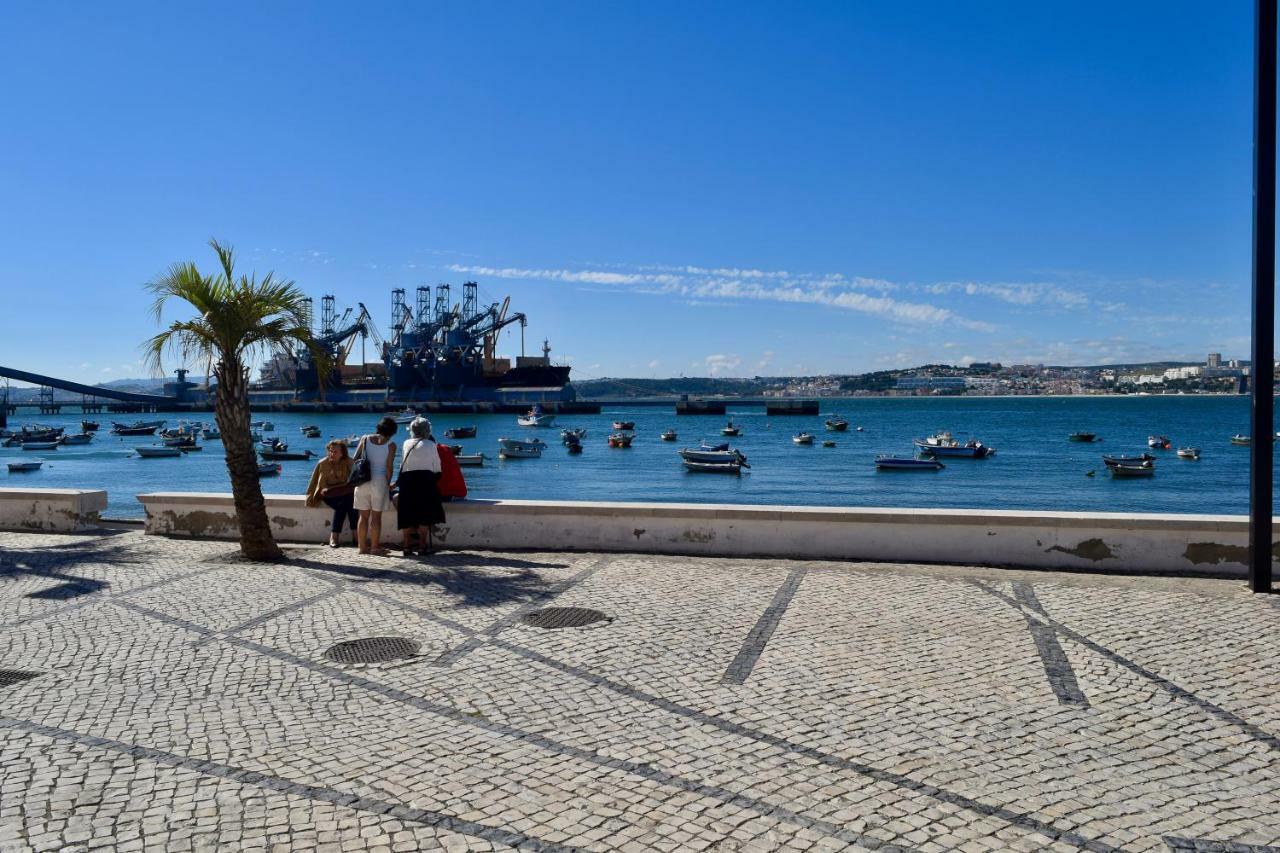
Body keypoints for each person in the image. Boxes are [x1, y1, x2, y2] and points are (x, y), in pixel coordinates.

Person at [396, 417, 445, 556]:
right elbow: (437, 467)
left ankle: (407, 546)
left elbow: (402, 464)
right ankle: (422, 546)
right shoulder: (431, 445)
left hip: (407, 481)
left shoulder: (406, 443)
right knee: (425, 513)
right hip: (425, 480)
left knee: (406, 513)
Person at [353, 416, 397, 555]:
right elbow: (389, 467)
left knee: (363, 516)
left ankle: (361, 548)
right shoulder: (391, 445)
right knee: (376, 517)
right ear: (392, 431)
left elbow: (355, 459)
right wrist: (388, 484)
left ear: (378, 427)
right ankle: (374, 547)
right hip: (379, 481)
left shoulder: (365, 438)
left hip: (362, 480)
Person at [304, 439, 356, 547]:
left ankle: (341, 536)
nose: (332, 454)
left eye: (335, 452)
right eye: (330, 451)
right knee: (344, 503)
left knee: (350, 502)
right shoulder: (323, 463)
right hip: (328, 493)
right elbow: (320, 486)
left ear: (342, 453)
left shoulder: (349, 462)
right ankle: (340, 536)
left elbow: (354, 480)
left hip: (344, 492)